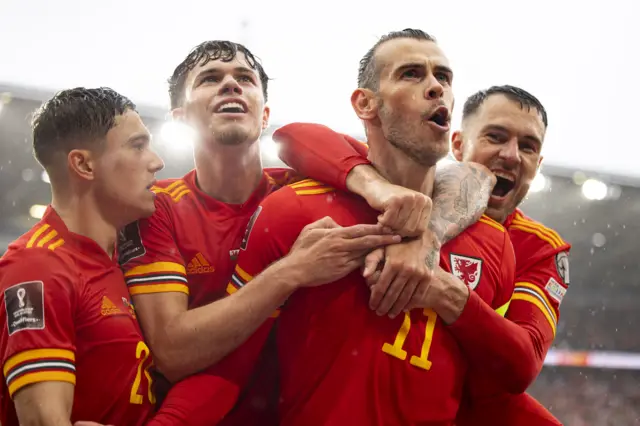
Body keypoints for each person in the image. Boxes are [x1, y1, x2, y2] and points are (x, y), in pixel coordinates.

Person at [118, 39, 494, 424]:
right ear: (178, 117)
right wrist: (292, 270)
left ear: (265, 116)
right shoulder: (157, 207)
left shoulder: (300, 190)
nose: (230, 85)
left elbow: (472, 176)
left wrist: (425, 232)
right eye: (210, 78)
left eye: (245, 78)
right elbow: (174, 353)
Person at [223, 29, 515, 426]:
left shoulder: (494, 242)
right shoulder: (294, 210)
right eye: (412, 74)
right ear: (366, 104)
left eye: (444, 77)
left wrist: (444, 281)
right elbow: (230, 365)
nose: (436, 88)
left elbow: (504, 385)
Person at [275, 86, 569, 425]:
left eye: (528, 147)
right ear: (457, 145)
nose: (512, 154)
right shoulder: (403, 193)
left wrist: (444, 289)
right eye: (495, 137)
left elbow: (522, 364)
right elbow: (292, 137)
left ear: (538, 163)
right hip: (345, 394)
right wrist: (371, 184)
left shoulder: (538, 247)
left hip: (468, 407)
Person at [0, 87, 227, 426]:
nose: (157, 161)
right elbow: (43, 421)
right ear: (84, 164)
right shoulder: (38, 267)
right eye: (137, 146)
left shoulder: (124, 259)